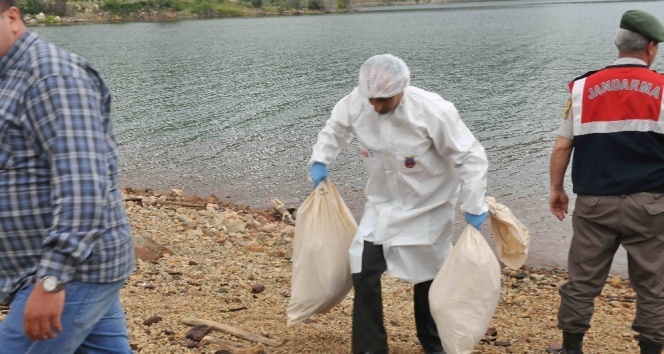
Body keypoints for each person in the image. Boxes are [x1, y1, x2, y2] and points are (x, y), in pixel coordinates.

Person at [309, 54, 489, 354]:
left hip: (428, 205)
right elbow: (336, 129)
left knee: (428, 276)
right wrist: (320, 159)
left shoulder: (433, 111)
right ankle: (370, 348)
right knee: (364, 269)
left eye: (384, 99)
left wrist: (474, 203)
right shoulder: (357, 102)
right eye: (372, 100)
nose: (377, 106)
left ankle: (433, 342)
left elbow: (469, 156)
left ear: (402, 88)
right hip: (381, 204)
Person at [0, 1, 135, 353]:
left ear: (12, 17)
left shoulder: (52, 77)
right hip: (61, 269)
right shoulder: (11, 77)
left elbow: (84, 186)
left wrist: (51, 281)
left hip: (72, 272)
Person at [549, 9, 664, 354]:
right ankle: (650, 349)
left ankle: (571, 348)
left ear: (618, 44)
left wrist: (556, 189)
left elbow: (562, 146)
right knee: (654, 285)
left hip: (595, 203)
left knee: (582, 282)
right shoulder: (662, 89)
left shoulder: (582, 88)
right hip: (651, 205)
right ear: (652, 48)